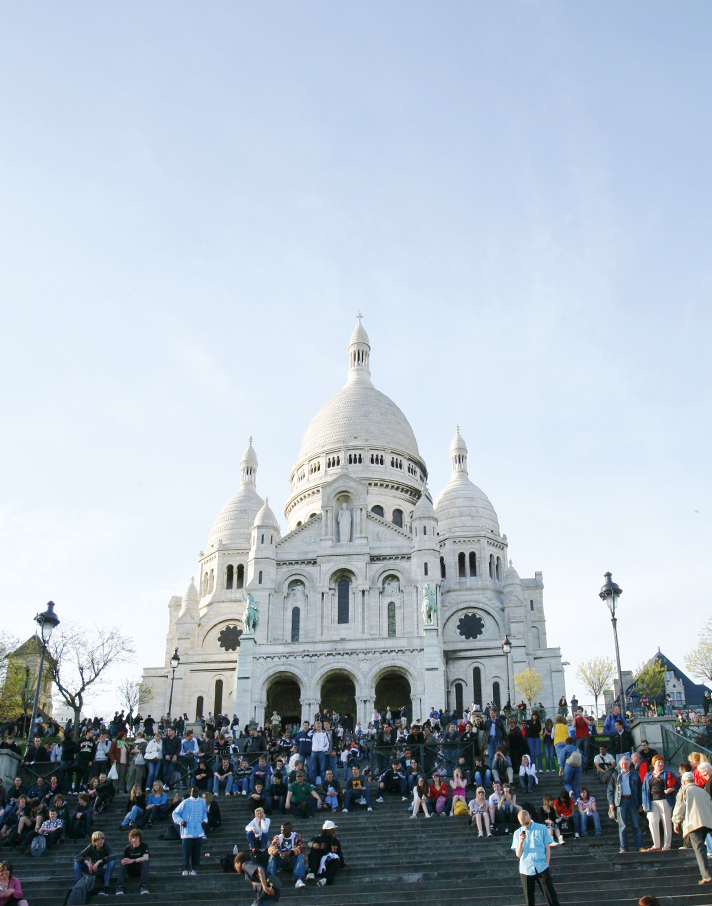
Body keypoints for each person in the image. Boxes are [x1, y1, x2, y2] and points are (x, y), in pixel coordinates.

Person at [511, 810, 561, 906]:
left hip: (541, 866)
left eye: (526, 823)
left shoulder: (541, 828)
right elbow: (518, 854)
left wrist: (547, 862)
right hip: (526, 868)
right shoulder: (517, 833)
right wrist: (521, 842)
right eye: (522, 824)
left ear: (530, 817)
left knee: (551, 897)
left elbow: (547, 847)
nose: (526, 826)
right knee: (529, 900)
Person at [673, 772, 712, 885]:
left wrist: (676, 821)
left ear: (684, 782)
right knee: (700, 847)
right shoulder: (703, 791)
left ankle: (706, 875)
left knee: (699, 848)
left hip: (693, 824)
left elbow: (680, 807)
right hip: (706, 823)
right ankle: (705, 873)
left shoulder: (684, 791)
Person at [607, 756, 644, 853]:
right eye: (622, 763)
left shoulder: (635, 775)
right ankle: (623, 847)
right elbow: (610, 790)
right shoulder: (615, 775)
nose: (624, 765)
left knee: (636, 825)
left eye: (626, 763)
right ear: (619, 765)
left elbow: (640, 791)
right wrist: (611, 803)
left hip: (632, 800)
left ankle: (639, 846)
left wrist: (641, 804)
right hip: (621, 801)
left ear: (629, 764)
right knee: (622, 826)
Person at [642, 755, 678, 851]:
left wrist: (672, 789)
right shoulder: (648, 775)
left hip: (664, 800)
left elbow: (678, 784)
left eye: (662, 762)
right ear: (654, 764)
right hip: (652, 801)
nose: (661, 764)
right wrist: (644, 803)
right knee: (652, 822)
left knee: (666, 822)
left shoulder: (667, 773)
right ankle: (656, 845)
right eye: (659, 762)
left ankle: (667, 844)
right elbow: (644, 790)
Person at [171, 787, 208, 876]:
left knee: (196, 852)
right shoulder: (185, 802)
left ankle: (193, 868)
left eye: (196, 792)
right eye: (193, 792)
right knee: (186, 852)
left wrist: (205, 821)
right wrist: (180, 821)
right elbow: (175, 813)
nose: (195, 793)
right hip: (187, 832)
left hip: (198, 831)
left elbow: (204, 814)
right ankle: (185, 868)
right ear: (190, 792)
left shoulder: (202, 802)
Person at [73, 830, 116, 895]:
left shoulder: (106, 846)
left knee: (112, 862)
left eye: (102, 839)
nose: (102, 841)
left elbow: (113, 856)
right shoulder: (91, 847)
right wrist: (86, 861)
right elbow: (77, 857)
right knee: (77, 863)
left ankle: (105, 886)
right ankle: (78, 885)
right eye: (99, 840)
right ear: (95, 841)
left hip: (102, 869)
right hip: (92, 869)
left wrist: (100, 861)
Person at [267, 821, 306, 889]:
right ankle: (270, 879)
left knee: (300, 855)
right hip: (281, 861)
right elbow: (271, 848)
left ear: (290, 830)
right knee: (272, 856)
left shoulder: (297, 836)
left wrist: (290, 852)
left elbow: (302, 847)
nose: (282, 831)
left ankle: (298, 880)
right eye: (281, 829)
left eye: (284, 830)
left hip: (292, 861)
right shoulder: (277, 838)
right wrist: (279, 853)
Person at [115, 828, 149, 895]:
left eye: (136, 838)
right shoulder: (128, 848)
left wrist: (132, 860)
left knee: (144, 862)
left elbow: (146, 857)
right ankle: (120, 886)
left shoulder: (144, 846)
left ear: (139, 838)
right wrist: (125, 861)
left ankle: (144, 886)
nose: (134, 840)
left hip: (140, 869)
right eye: (133, 838)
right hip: (130, 870)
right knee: (123, 863)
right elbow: (125, 859)